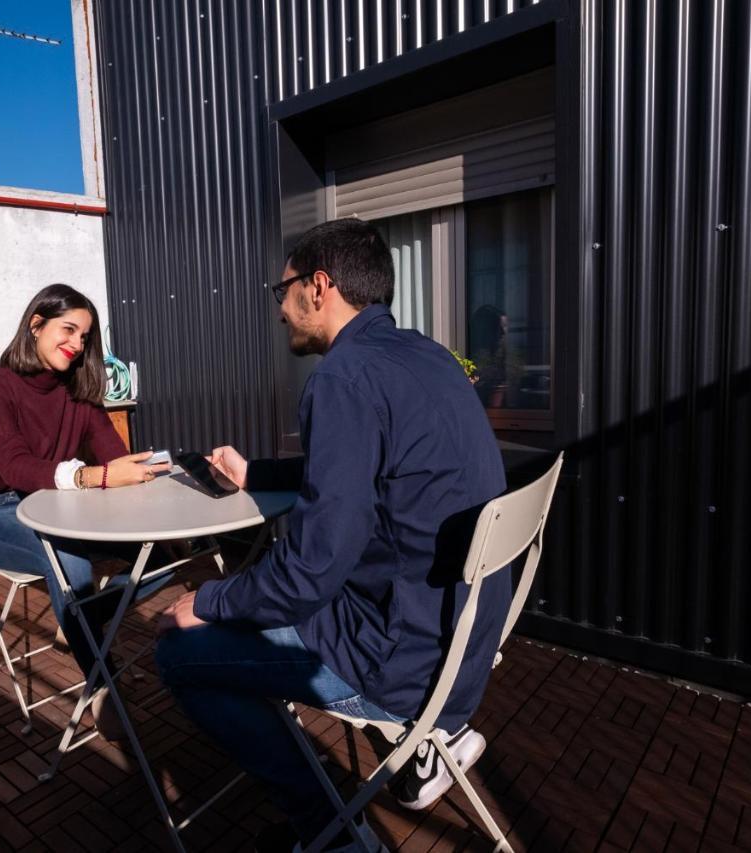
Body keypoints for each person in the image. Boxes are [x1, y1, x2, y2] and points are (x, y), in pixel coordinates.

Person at [154, 219, 509, 852]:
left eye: (282, 289)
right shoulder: (426, 356)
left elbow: (309, 575)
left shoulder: (341, 380)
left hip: (397, 658)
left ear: (318, 288)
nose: (280, 308)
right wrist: (257, 474)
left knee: (181, 655)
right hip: (464, 638)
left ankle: (331, 833)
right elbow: (363, 471)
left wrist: (205, 602)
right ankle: (425, 750)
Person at [0, 283, 170, 737]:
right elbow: (15, 467)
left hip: (61, 505)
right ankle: (102, 681)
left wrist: (161, 471)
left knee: (169, 550)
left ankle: (77, 615)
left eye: (84, 337)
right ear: (36, 324)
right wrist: (92, 478)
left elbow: (113, 457)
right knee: (67, 558)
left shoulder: (78, 393)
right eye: (68, 330)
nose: (77, 345)